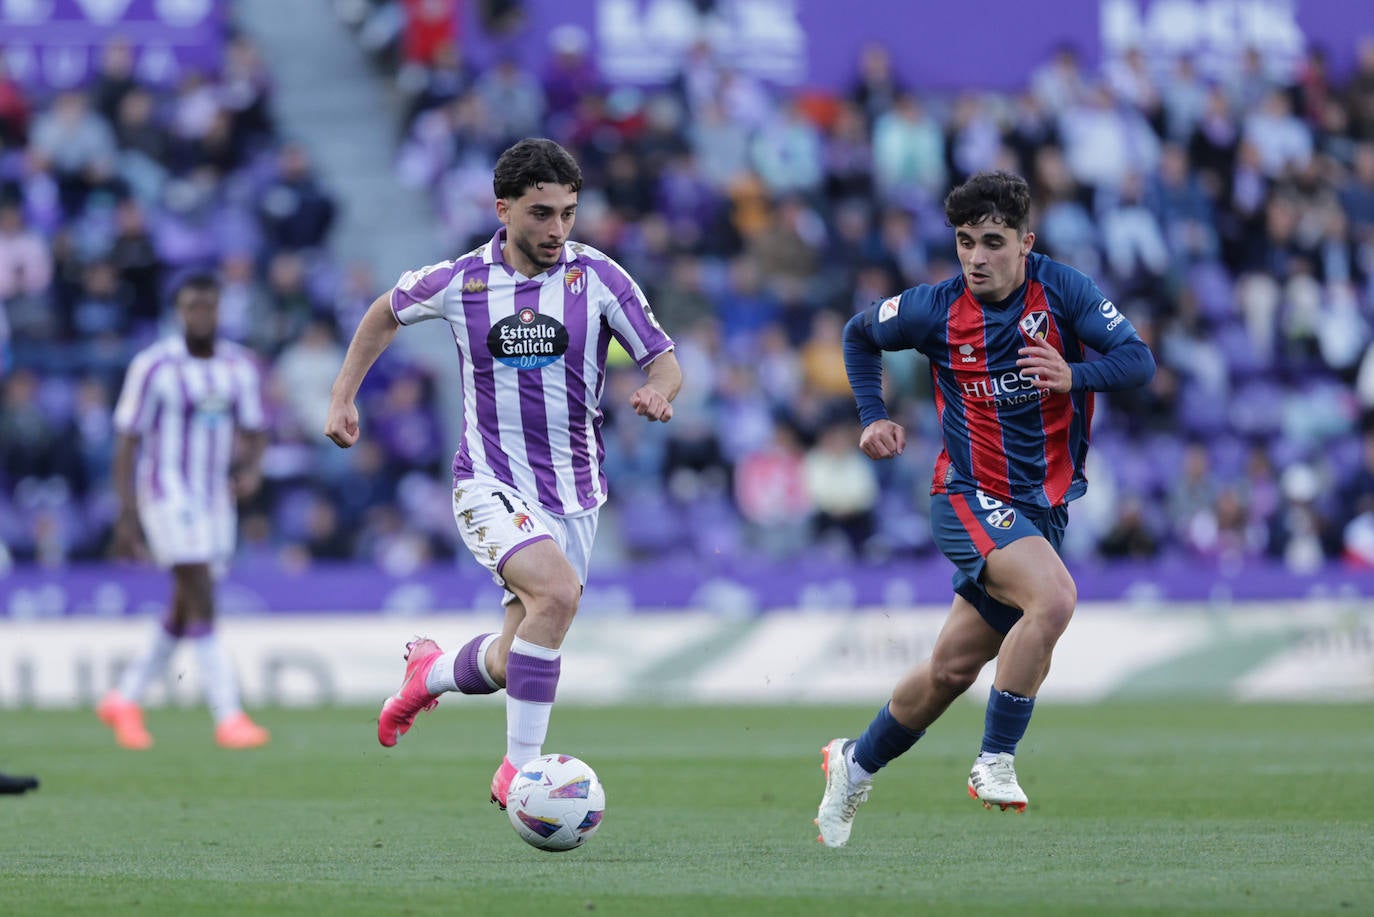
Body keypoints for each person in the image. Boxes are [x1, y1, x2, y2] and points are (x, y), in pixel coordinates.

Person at [324, 137, 681, 809]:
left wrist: (660, 390)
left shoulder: (599, 278)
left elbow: (663, 357)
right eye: (542, 213)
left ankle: (430, 674)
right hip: (488, 482)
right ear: (503, 208)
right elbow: (385, 311)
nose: (557, 229)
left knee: (515, 652)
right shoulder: (464, 280)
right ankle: (521, 774)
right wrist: (343, 395)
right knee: (558, 593)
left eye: (568, 214)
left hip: (576, 495)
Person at [815, 170, 1155, 847]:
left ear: (1025, 243)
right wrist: (872, 415)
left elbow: (1138, 360)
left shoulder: (1064, 292)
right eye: (966, 241)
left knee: (949, 671)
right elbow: (858, 333)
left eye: (992, 241)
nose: (976, 257)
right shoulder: (936, 307)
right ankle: (995, 759)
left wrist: (1074, 373)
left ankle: (854, 762)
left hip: (1041, 509)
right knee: (1054, 600)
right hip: (968, 495)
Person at [97, 273, 271, 751]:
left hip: (215, 498)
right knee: (198, 590)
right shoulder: (154, 366)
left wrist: (251, 471)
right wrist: (127, 514)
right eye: (192, 307)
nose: (200, 315)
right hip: (166, 493)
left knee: (185, 602)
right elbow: (127, 441)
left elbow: (256, 430)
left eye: (208, 307)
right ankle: (228, 714)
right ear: (179, 311)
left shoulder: (238, 366)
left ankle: (124, 698)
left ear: (219, 310)